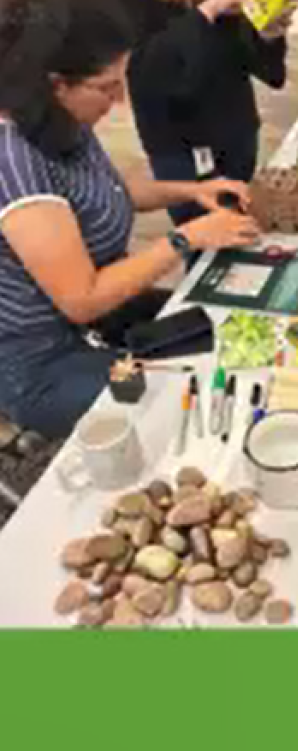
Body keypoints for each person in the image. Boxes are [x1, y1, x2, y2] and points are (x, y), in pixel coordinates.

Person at [0, 0, 260, 439]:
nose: (118, 101)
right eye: (106, 87)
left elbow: (112, 192)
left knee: (222, 334)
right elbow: (81, 299)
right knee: (180, 409)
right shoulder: (13, 164)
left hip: (101, 321)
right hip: (39, 363)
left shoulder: (59, 121)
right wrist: (184, 238)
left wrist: (193, 190)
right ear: (56, 85)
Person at [126, 0, 292, 225]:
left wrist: (271, 34)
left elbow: (272, 74)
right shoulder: (146, 16)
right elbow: (164, 79)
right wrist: (207, 12)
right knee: (200, 229)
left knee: (240, 220)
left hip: (237, 137)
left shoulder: (227, 17)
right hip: (183, 150)